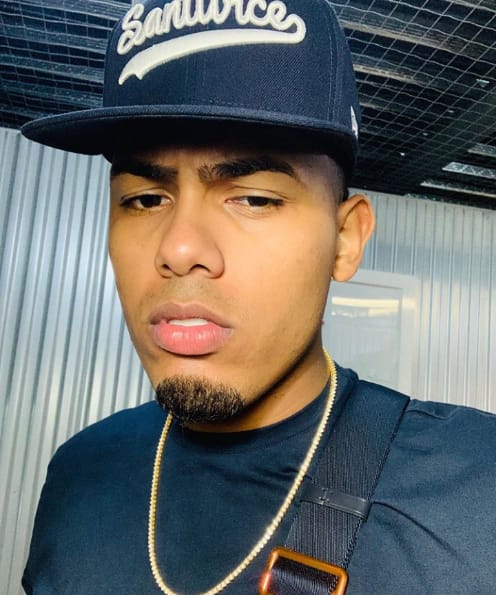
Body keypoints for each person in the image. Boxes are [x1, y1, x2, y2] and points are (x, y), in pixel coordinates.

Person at [20, 0, 495, 593]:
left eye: (253, 198)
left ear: (346, 240)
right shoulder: (78, 472)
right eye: (145, 200)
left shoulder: (479, 493)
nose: (180, 249)